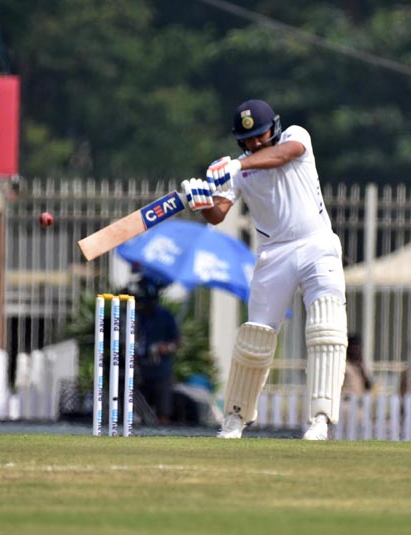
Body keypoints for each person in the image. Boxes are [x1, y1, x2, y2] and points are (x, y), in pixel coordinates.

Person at [180, 99, 347, 440]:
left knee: (326, 325)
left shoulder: (296, 137)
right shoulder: (239, 168)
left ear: (275, 127)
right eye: (249, 139)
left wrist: (235, 168)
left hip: (317, 243)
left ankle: (320, 419)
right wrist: (201, 202)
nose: (256, 142)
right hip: (274, 255)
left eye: (261, 134)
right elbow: (218, 214)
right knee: (255, 337)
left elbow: (281, 155)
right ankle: (236, 419)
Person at [134, 280, 180, 425]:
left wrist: (165, 347)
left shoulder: (165, 316)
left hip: (161, 370)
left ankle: (162, 437)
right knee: (139, 410)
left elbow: (177, 342)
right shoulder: (135, 315)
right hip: (140, 370)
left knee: (163, 411)